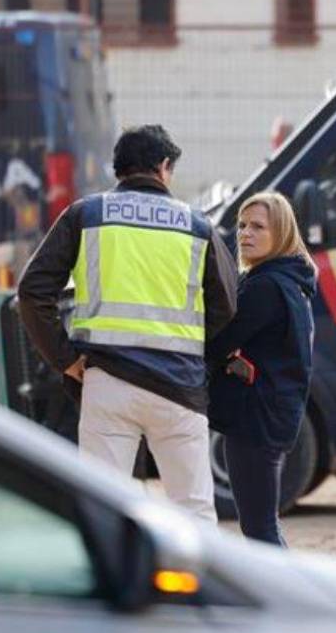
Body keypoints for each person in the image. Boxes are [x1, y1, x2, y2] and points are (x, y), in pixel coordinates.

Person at [17, 125, 238, 523]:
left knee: (105, 510)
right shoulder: (197, 225)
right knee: (194, 510)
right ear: (164, 167)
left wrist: (65, 359)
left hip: (108, 384)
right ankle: (199, 584)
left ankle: (115, 586)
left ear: (118, 168)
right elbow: (225, 305)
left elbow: (32, 292)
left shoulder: (85, 215)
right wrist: (194, 356)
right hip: (179, 389)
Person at [206, 191, 317, 546]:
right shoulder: (290, 282)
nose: (245, 234)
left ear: (281, 233)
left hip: (256, 419)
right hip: (272, 415)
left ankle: (289, 600)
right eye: (241, 225)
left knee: (260, 530)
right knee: (261, 526)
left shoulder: (265, 287)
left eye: (258, 227)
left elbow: (217, 342)